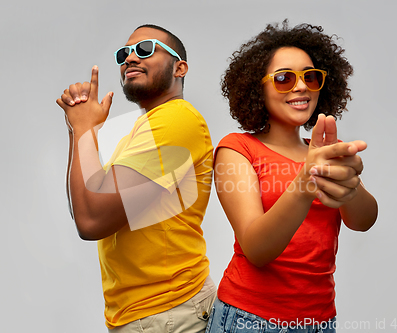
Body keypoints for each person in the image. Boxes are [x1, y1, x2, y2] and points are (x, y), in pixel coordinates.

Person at [206, 21, 378, 333]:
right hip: (251, 320)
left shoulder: (325, 151)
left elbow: (363, 221)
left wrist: (350, 185)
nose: (301, 87)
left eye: (310, 77)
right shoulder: (236, 149)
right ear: (257, 87)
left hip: (320, 321)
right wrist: (306, 181)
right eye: (284, 79)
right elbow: (257, 250)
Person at [56, 24, 216, 332]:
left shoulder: (176, 119)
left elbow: (91, 221)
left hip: (169, 312)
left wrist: (83, 130)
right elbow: (85, 208)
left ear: (179, 67)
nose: (130, 58)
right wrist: (79, 130)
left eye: (145, 49)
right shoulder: (140, 131)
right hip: (146, 315)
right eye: (124, 53)